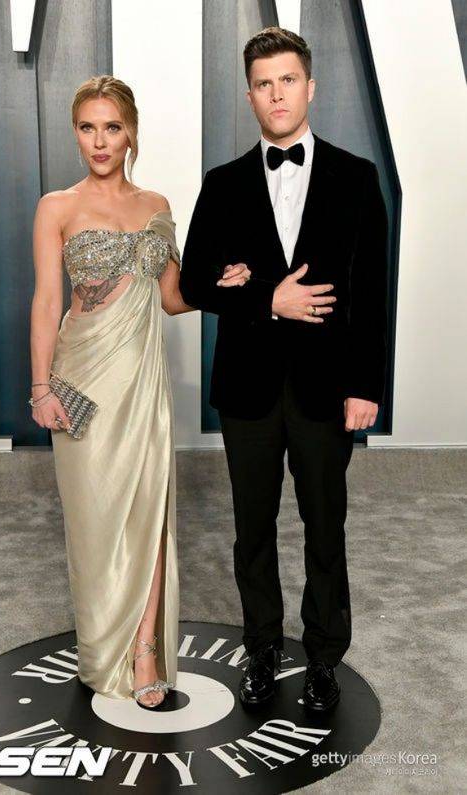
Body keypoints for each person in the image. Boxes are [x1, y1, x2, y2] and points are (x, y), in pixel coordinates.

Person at [179, 27, 388, 711]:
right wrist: (267, 298)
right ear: (249, 95)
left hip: (329, 387)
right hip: (248, 387)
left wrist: (366, 387)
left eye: (288, 80)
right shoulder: (223, 183)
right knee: (253, 527)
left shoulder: (357, 177)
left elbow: (371, 292)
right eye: (263, 84)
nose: (276, 94)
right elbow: (195, 283)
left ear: (310, 87)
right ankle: (262, 648)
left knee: (326, 526)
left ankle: (324, 657)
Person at [29, 75, 250, 708]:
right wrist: (40, 387)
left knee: (149, 514)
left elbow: (174, 298)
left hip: (144, 382)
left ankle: (146, 650)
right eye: (87, 128)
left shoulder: (156, 205)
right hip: (81, 379)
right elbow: (46, 301)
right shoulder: (57, 207)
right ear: (76, 134)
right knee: (95, 520)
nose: (100, 141)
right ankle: (104, 645)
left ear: (131, 134)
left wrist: (223, 285)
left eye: (112, 127)